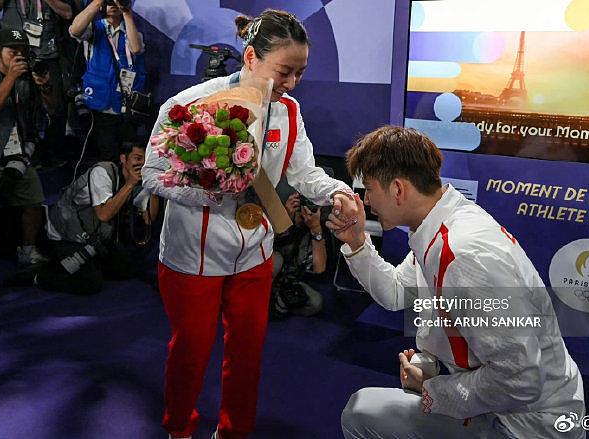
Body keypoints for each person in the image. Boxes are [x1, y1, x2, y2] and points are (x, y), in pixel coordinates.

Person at [142, 9, 358, 439]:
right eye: (285, 71)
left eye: (300, 73)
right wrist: (210, 189)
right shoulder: (187, 105)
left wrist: (335, 191)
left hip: (256, 251)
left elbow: (305, 173)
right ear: (251, 57)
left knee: (247, 353)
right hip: (193, 254)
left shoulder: (290, 113)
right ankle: (179, 429)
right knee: (192, 350)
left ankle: (234, 431)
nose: (292, 83)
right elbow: (151, 174)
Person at [332, 126, 585, 438]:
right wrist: (357, 241)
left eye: (369, 189)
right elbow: (396, 292)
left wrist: (432, 388)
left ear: (398, 189)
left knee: (360, 414)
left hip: (523, 426)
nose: (366, 200)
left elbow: (521, 379)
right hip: (512, 408)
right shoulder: (439, 225)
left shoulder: (464, 253)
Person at [0, 29, 56, 295]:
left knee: (33, 199)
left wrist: (44, 86)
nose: (18, 55)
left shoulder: (27, 75)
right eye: (12, 50)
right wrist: (12, 77)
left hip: (16, 151)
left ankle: (27, 250)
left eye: (22, 50)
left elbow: (51, 110)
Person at [34, 142, 158, 295]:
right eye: (137, 158)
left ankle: (86, 262)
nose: (142, 164)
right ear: (123, 158)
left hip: (96, 238)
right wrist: (130, 185)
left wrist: (154, 188)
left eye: (146, 160)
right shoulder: (102, 171)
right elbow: (104, 214)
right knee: (90, 283)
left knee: (125, 268)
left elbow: (149, 218)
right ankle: (41, 275)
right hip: (66, 235)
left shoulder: (139, 180)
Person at [69, 0, 145, 162]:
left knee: (127, 157)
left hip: (125, 106)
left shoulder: (132, 29)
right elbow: (75, 30)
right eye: (109, 1)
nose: (113, 4)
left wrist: (126, 12)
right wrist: (97, 2)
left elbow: (136, 49)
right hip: (100, 106)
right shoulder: (94, 28)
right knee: (107, 157)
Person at [270, 188, 327, 317]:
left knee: (316, 302)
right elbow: (261, 248)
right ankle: (264, 303)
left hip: (290, 281)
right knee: (276, 260)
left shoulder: (317, 223)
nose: (309, 208)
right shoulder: (281, 212)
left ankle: (279, 307)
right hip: (266, 277)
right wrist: (284, 218)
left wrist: (316, 229)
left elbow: (319, 269)